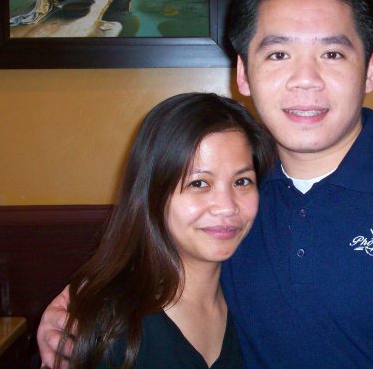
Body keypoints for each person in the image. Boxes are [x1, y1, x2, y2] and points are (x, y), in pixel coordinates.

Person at [38, 0, 373, 367]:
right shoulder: (236, 201)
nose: (306, 80)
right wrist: (77, 305)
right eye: (278, 54)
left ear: (369, 70)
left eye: (332, 54)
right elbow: (152, 256)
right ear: (243, 73)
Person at [50, 93, 274, 369]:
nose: (227, 207)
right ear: (154, 193)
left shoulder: (258, 299)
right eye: (199, 183)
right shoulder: (111, 327)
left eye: (242, 181)